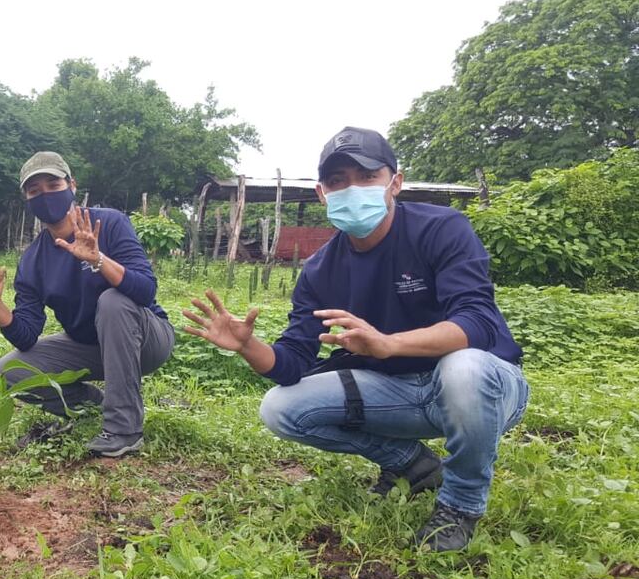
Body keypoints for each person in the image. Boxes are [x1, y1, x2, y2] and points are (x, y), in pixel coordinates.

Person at [182, 127, 529, 551]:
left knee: (465, 367)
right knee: (281, 409)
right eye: (338, 181)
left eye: (367, 177)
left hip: (482, 390)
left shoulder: (441, 229)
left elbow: (477, 323)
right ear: (322, 193)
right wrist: (246, 346)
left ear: (395, 182)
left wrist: (389, 344)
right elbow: (294, 361)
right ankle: (412, 463)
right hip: (397, 393)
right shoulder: (320, 270)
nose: (352, 189)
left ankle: (460, 505)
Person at [0, 152, 175, 457]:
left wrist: (98, 260)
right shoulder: (33, 260)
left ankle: (123, 430)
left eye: (53, 184)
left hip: (146, 339)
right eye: (35, 191)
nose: (45, 194)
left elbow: (146, 291)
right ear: (27, 199)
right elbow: (27, 336)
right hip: (89, 346)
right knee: (9, 371)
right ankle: (90, 404)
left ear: (71, 184)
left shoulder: (109, 223)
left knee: (113, 301)